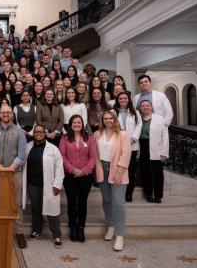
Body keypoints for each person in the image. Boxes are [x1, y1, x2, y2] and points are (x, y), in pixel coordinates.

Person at [0, 104, 27, 248]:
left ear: (12, 115)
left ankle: (19, 232)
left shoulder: (19, 132)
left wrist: (10, 169)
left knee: (15, 203)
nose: (5, 115)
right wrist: (1, 168)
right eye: (3, 112)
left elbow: (22, 154)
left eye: (8, 112)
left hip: (14, 173)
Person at [94, 111, 132, 251]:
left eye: (111, 118)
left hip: (117, 170)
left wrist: (119, 172)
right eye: (105, 118)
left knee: (118, 203)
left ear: (115, 120)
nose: (108, 120)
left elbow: (126, 152)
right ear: (102, 120)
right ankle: (110, 227)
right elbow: (95, 154)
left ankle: (120, 235)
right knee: (107, 201)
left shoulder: (123, 134)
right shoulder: (97, 134)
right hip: (102, 170)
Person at [22, 124, 64, 248]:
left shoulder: (53, 148)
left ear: (45, 133)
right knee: (36, 209)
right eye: (36, 132)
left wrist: (57, 184)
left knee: (52, 211)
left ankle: (56, 234)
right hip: (32, 184)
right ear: (33, 133)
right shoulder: (27, 147)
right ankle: (37, 230)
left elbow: (59, 166)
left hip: (50, 185)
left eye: (41, 131)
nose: (38, 133)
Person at [59, 115, 96, 242]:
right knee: (71, 202)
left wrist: (84, 171)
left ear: (83, 124)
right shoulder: (64, 138)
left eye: (79, 122)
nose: (76, 124)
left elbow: (92, 157)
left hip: (85, 176)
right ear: (70, 124)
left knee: (82, 202)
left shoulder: (89, 138)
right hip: (70, 176)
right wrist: (72, 170)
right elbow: (62, 156)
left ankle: (81, 227)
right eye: (74, 122)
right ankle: (73, 227)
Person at [112, 92, 142, 202]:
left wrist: (133, 138)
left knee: (130, 170)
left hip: (132, 145)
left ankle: (129, 193)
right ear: (117, 100)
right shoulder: (112, 112)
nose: (123, 100)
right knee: (118, 169)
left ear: (128, 100)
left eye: (125, 98)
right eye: (121, 98)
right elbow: (110, 127)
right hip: (117, 146)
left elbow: (139, 126)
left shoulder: (135, 112)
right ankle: (119, 192)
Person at [139, 100, 169, 203]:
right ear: (140, 108)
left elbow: (165, 135)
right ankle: (148, 194)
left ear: (151, 107)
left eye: (147, 105)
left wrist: (164, 152)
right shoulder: (138, 119)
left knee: (158, 173)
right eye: (143, 106)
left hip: (156, 147)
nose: (145, 107)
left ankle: (158, 195)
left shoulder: (160, 119)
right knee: (145, 172)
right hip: (142, 146)